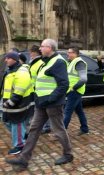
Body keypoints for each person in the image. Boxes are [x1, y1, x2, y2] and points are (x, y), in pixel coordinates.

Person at [5, 39, 73, 169]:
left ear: (50, 48)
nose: (40, 48)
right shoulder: (45, 62)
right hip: (41, 103)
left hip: (52, 104)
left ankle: (68, 154)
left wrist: (50, 99)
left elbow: (64, 84)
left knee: (58, 130)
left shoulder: (58, 62)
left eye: (42, 46)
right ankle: (23, 159)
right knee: (34, 129)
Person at [1, 52, 34, 154]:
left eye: (8, 58)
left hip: (18, 104)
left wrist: (11, 102)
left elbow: (20, 90)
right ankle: (22, 136)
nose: (6, 60)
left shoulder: (21, 72)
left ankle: (19, 145)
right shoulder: (11, 70)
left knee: (17, 123)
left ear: (15, 59)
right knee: (6, 120)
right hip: (9, 103)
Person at [63, 47, 89, 135]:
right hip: (73, 91)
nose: (68, 54)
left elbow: (83, 79)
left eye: (70, 52)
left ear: (75, 54)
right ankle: (84, 128)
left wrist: (74, 88)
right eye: (68, 52)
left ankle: (61, 132)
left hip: (75, 91)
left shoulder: (79, 62)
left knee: (67, 111)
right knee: (79, 111)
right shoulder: (72, 62)